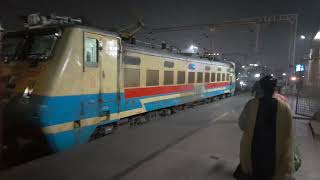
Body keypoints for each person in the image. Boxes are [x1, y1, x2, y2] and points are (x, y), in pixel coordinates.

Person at [234, 75, 294, 180]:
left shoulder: (252, 105)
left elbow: (242, 124)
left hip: (253, 153)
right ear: (275, 89)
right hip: (276, 156)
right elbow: (288, 133)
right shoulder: (285, 108)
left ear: (261, 88)